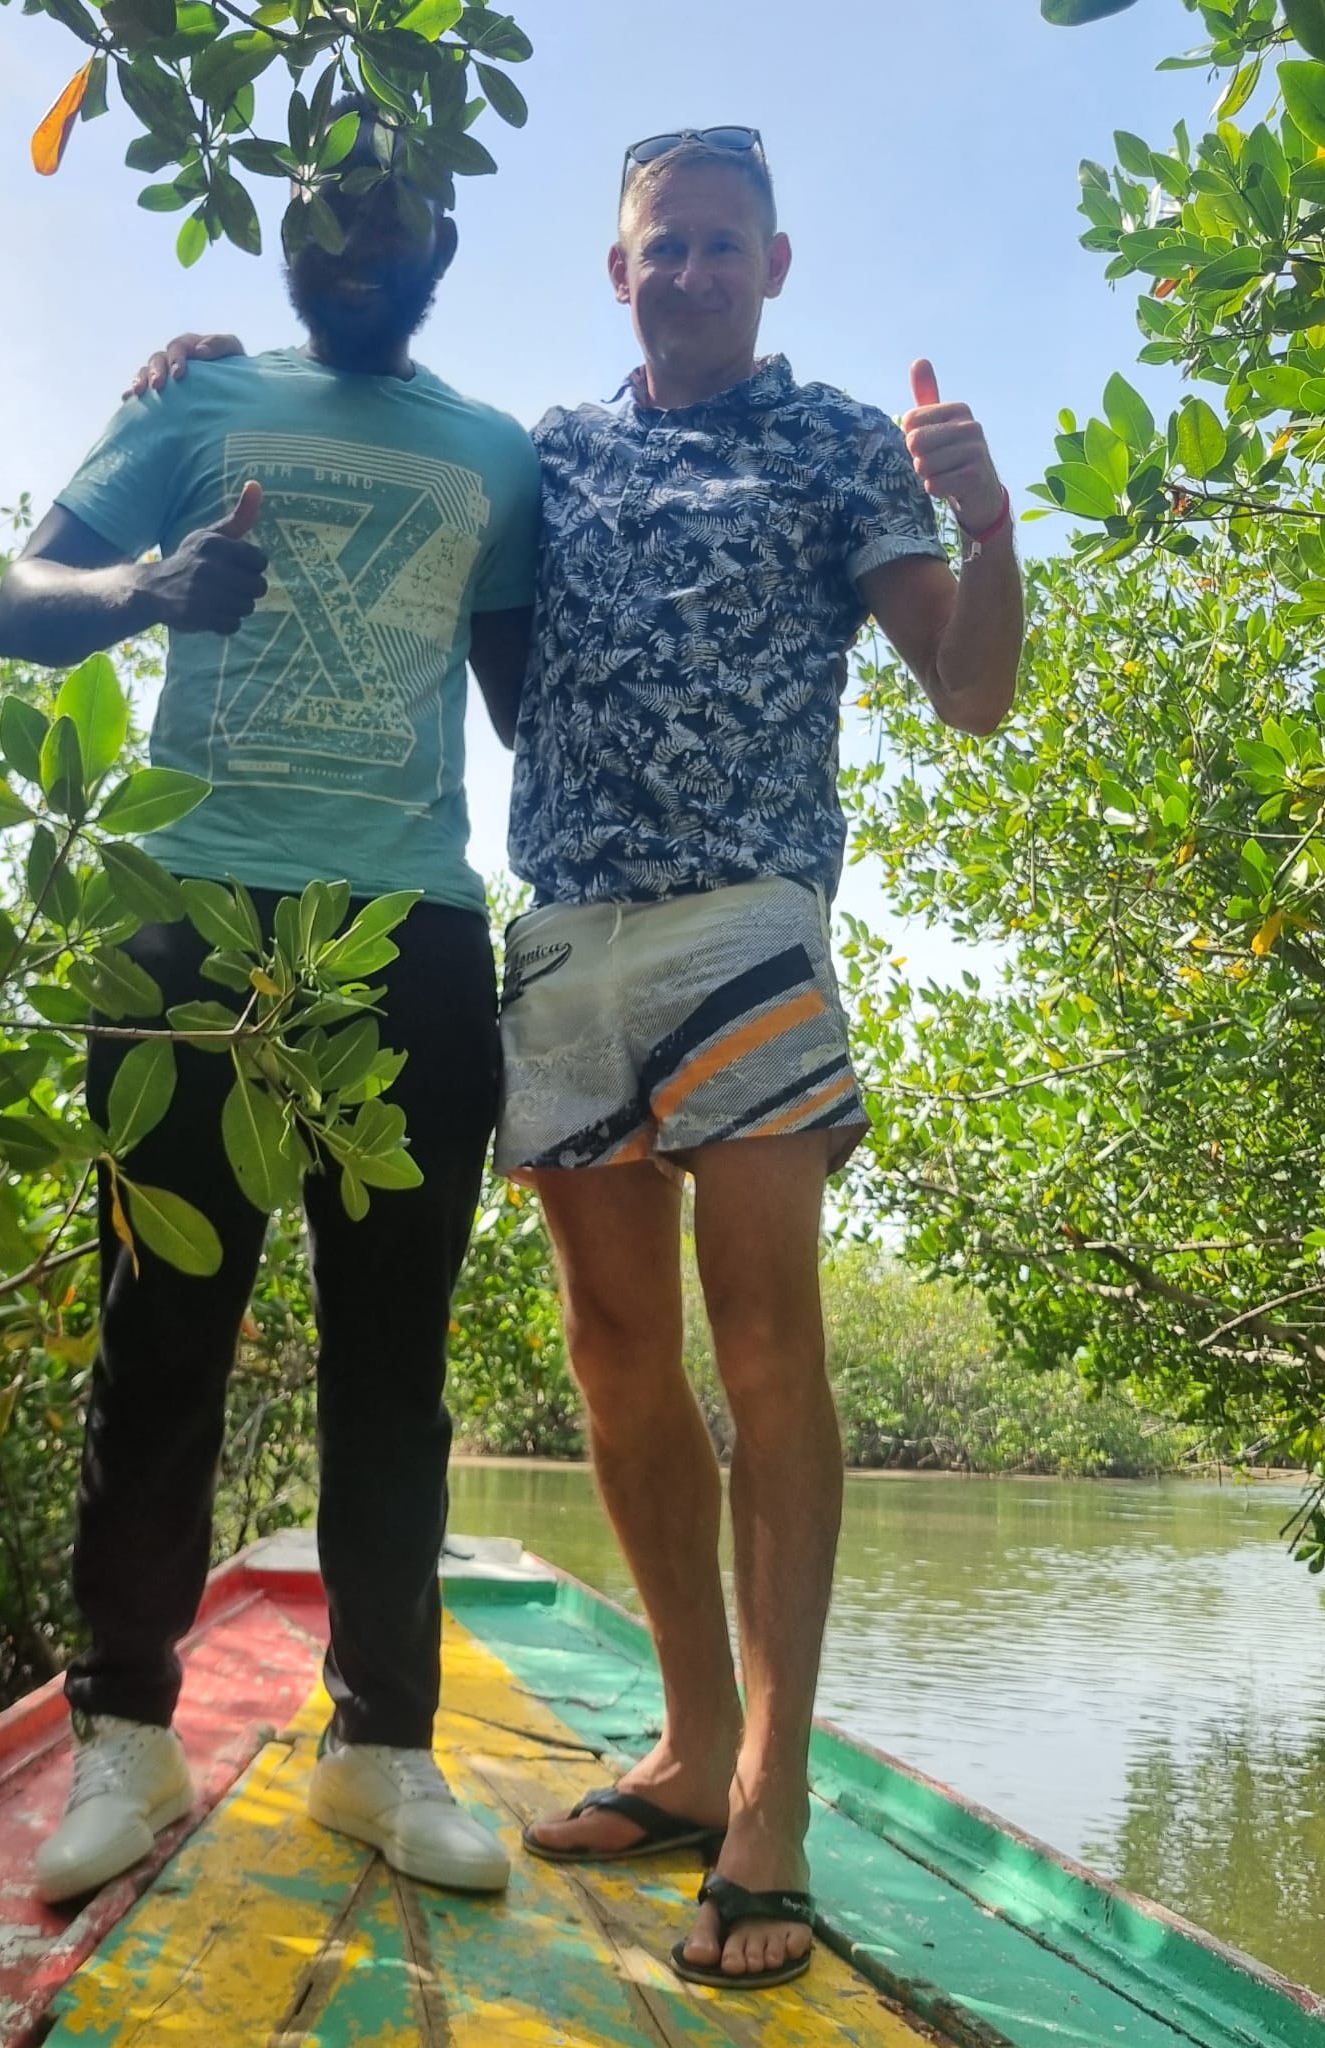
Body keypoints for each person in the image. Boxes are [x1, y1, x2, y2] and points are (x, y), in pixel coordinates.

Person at [128, 124, 1023, 1988]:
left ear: (776, 264)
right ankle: (693, 1746)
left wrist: (988, 520)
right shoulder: (547, 451)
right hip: (555, 931)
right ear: (615, 271)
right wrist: (198, 367)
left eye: (720, 244)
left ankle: (771, 1807)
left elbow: (973, 689)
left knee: (768, 1345)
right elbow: (385, 461)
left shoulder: (846, 440)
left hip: (739, 923)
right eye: (660, 246)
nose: (689, 270)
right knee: (618, 1360)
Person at [0, 106, 540, 1904]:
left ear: (440, 262)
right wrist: (144, 587)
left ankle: (380, 1753)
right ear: (285, 259)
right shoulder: (189, 405)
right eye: (322, 248)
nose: (351, 268)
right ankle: (124, 1747)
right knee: (162, 1339)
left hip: (409, 935)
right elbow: (18, 603)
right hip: (187, 914)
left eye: (386, 250)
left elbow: (542, 710)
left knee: (398, 1363)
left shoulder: (499, 460)